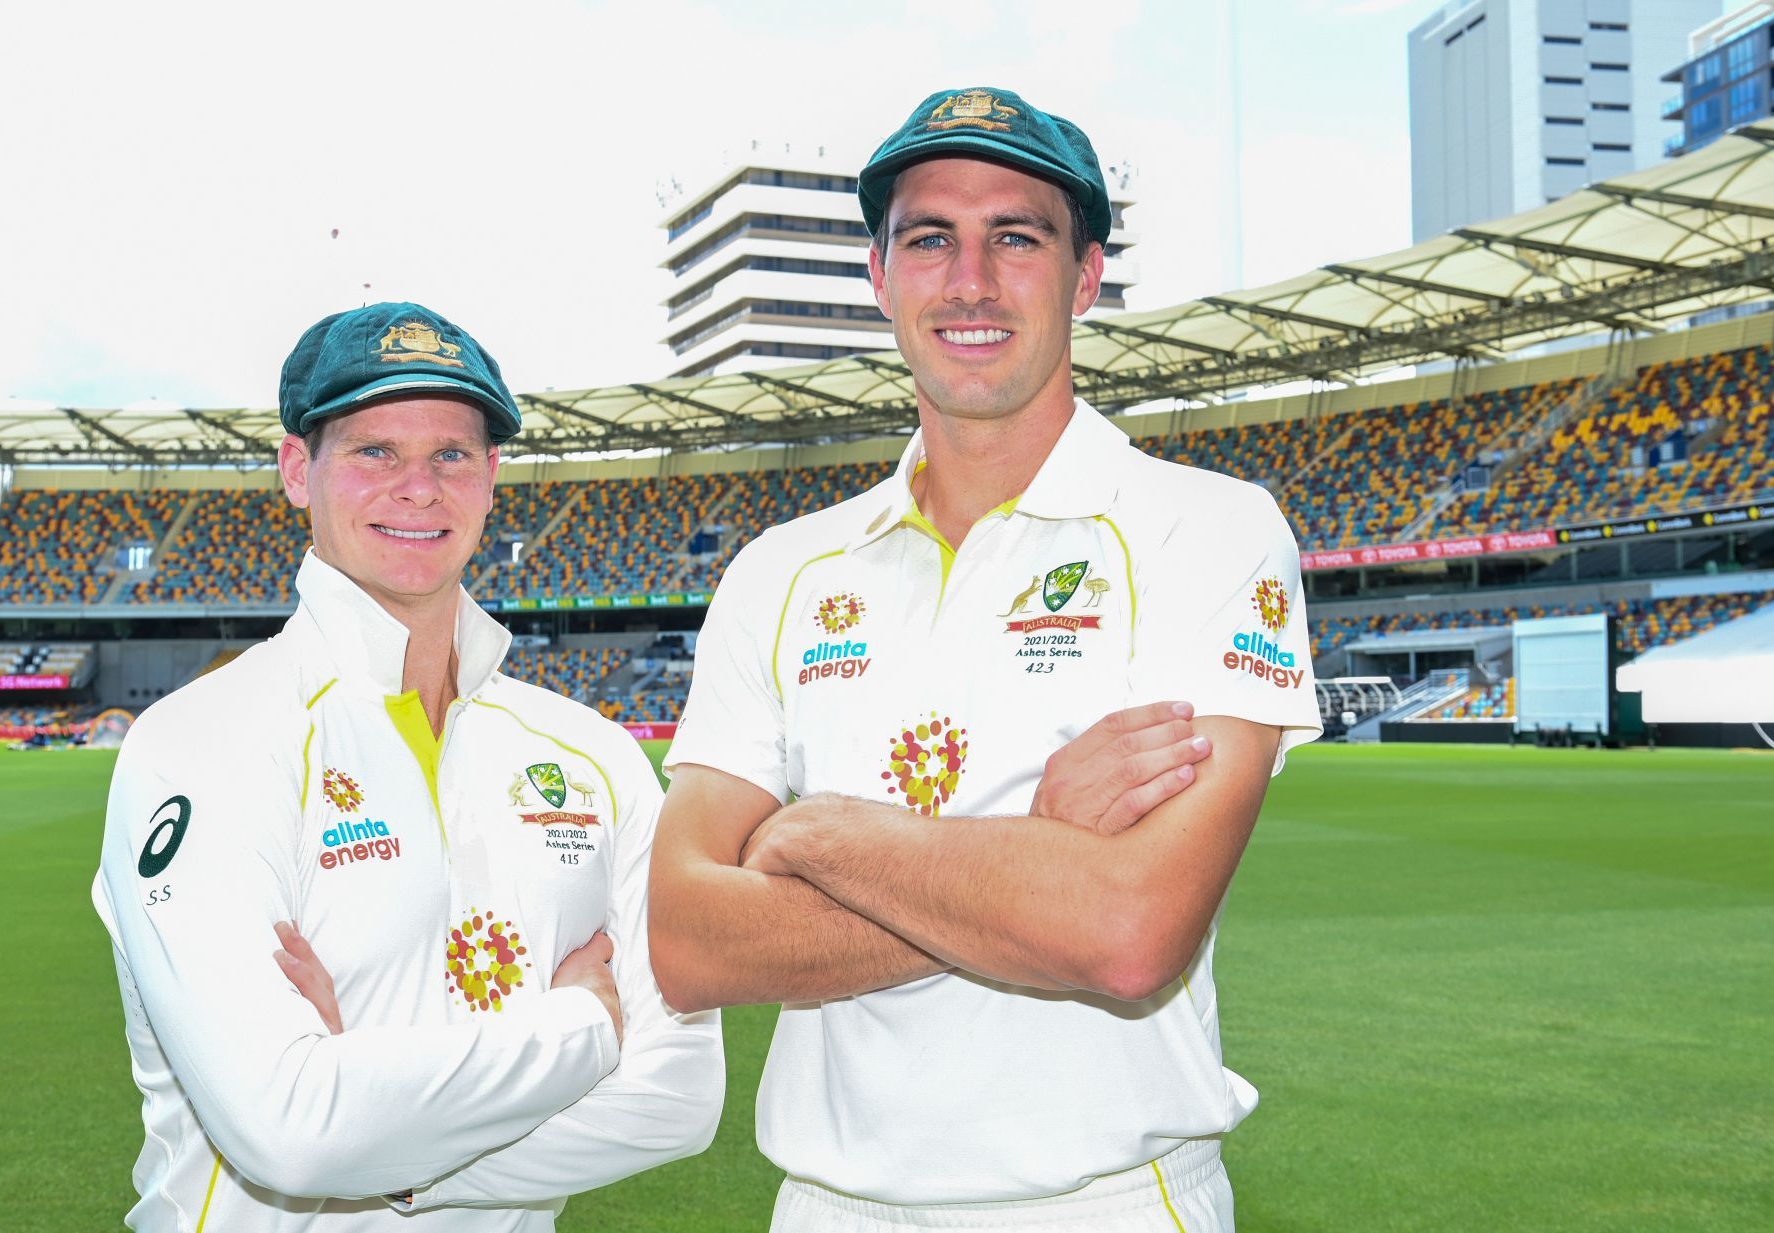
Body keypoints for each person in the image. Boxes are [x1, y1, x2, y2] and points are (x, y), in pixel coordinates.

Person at [649, 88, 1322, 1233]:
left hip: (1102, 1205)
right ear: (880, 277)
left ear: (1086, 274)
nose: (970, 280)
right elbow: (686, 939)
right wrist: (1040, 861)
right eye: (929, 240)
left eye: (1016, 236)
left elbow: (1125, 938)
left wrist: (822, 837)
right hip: (827, 1208)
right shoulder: (782, 570)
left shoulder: (1203, 527)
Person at [91, 302, 722, 1232]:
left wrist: (383, 1146)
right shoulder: (198, 743)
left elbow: (677, 1099)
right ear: (298, 470)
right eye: (374, 451)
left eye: (452, 454)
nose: (417, 488)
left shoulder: (594, 755)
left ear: (493, 476)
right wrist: (584, 1028)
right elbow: (291, 1135)